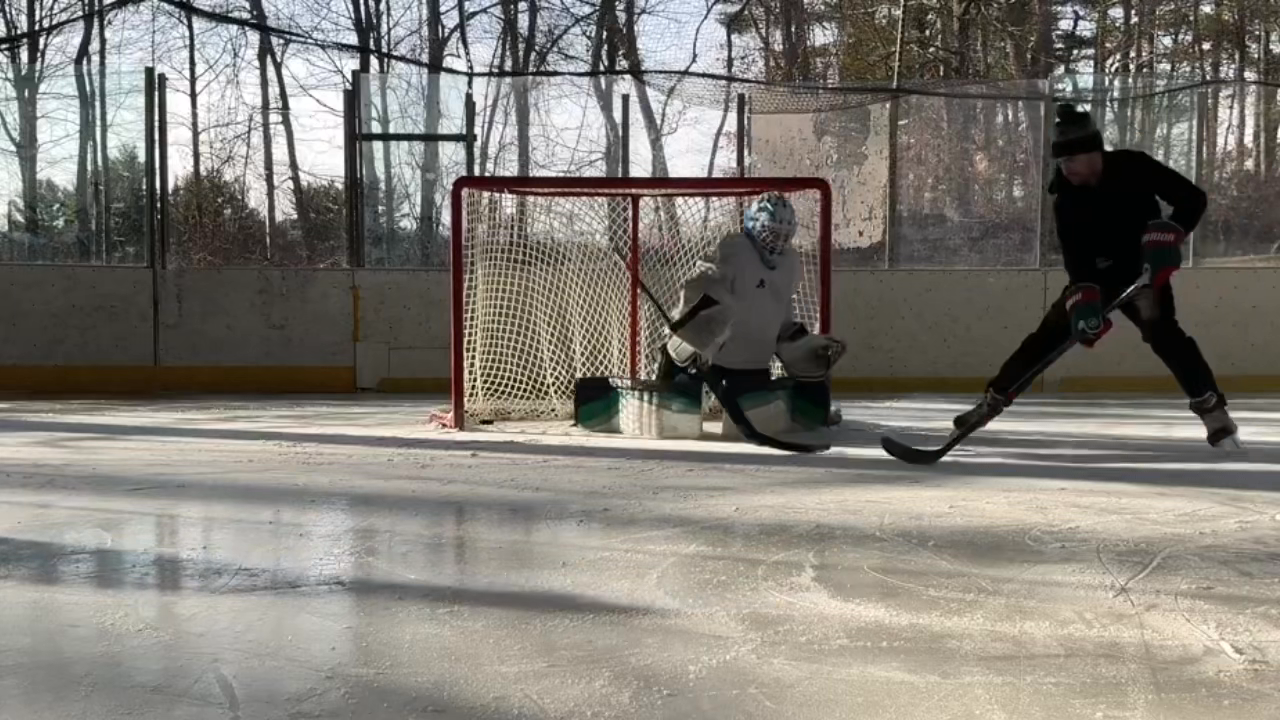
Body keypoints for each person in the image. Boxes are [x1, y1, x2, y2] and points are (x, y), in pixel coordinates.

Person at [954, 103, 1240, 448]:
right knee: (1049, 335)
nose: (1065, 167)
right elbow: (1077, 260)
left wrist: (1169, 233)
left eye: (1070, 159)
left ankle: (1213, 411)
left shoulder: (1135, 166)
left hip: (1145, 271)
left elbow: (1192, 199)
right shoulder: (1065, 198)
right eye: (1061, 161)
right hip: (1099, 277)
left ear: (1093, 153)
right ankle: (992, 401)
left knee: (1164, 334)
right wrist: (1085, 301)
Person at [658, 191, 845, 447]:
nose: (779, 242)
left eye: (785, 235)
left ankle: (814, 409)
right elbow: (698, 290)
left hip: (753, 364)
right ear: (754, 226)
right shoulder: (734, 251)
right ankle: (669, 389)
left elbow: (780, 312)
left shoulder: (790, 263)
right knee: (681, 365)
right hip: (716, 361)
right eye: (772, 233)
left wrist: (797, 344)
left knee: (806, 373)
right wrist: (691, 333)